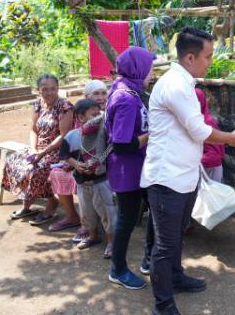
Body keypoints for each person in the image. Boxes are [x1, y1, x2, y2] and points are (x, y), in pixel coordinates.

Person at [141, 27, 235, 315]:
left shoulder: (184, 82)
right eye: (208, 56)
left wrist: (228, 135)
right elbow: (199, 130)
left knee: (175, 237)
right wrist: (233, 138)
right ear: (190, 57)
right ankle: (162, 304)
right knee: (164, 245)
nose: (210, 62)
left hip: (183, 176)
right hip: (167, 179)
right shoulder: (175, 85)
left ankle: (175, 277)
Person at [106, 46, 155, 290]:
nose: (152, 74)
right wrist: (151, 134)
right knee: (126, 219)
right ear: (138, 69)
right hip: (127, 169)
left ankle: (149, 260)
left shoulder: (127, 91)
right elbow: (122, 144)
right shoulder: (125, 99)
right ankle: (118, 269)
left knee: (153, 211)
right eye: (149, 69)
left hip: (137, 167)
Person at [3, 74, 74, 225]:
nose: (49, 93)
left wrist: (42, 153)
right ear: (38, 90)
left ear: (58, 89)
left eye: (53, 89)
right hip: (38, 148)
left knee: (38, 168)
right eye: (45, 89)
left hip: (58, 149)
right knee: (13, 162)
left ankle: (51, 204)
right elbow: (33, 130)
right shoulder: (38, 104)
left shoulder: (65, 107)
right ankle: (26, 205)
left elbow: (63, 136)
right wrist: (33, 149)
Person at [48, 80, 111, 240]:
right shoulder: (77, 127)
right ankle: (88, 229)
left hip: (101, 174)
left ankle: (107, 237)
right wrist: (75, 164)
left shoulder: (107, 120)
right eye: (96, 93)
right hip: (81, 174)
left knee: (106, 209)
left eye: (103, 93)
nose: (101, 97)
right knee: (86, 207)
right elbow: (69, 150)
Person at [59, 98, 114, 255]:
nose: (98, 117)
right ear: (80, 118)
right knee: (87, 214)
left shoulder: (104, 135)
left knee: (107, 213)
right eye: (93, 115)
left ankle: (111, 242)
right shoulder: (71, 136)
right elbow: (64, 155)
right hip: (82, 184)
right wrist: (76, 165)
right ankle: (93, 236)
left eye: (99, 114)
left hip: (101, 182)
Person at [196, 88, 225, 182]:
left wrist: (191, 161)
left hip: (211, 169)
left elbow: (214, 156)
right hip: (204, 167)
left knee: (210, 195)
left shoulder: (206, 123)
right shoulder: (199, 120)